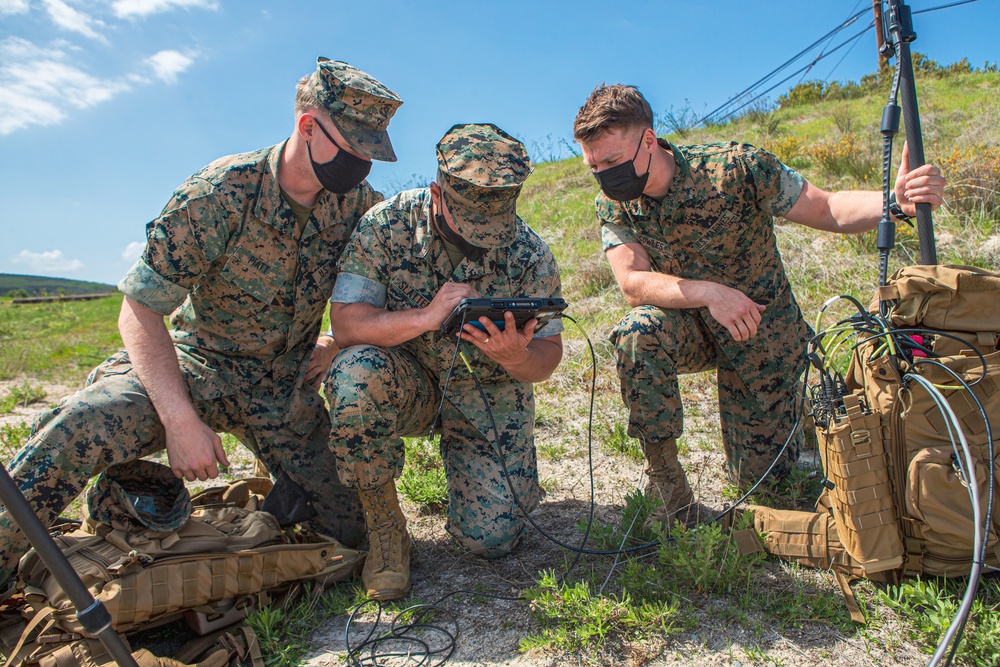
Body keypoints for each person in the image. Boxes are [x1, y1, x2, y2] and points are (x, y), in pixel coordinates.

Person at [0, 58, 402, 589]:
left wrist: (330, 340)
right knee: (85, 422)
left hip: (283, 383)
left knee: (351, 535)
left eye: (370, 151)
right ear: (308, 127)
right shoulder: (218, 193)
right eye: (352, 147)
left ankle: (269, 505)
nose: (361, 163)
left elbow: (371, 300)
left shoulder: (359, 207)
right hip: (197, 363)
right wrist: (180, 419)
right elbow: (139, 308)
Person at [572, 84, 946, 523]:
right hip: (694, 329)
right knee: (638, 330)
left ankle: (806, 414)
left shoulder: (736, 168)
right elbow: (633, 281)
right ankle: (666, 482)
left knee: (768, 486)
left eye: (612, 162)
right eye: (593, 166)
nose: (604, 175)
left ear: (649, 140)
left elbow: (825, 208)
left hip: (763, 336)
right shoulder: (613, 204)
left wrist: (893, 203)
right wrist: (711, 293)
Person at [324, 123, 564, 600]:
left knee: (491, 541)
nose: (484, 240)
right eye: (471, 225)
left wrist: (517, 357)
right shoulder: (385, 226)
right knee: (353, 372)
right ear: (437, 194)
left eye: (494, 228)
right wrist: (427, 317)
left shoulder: (530, 253)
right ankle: (386, 530)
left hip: (488, 390)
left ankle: (479, 489)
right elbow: (348, 324)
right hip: (406, 379)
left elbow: (549, 358)